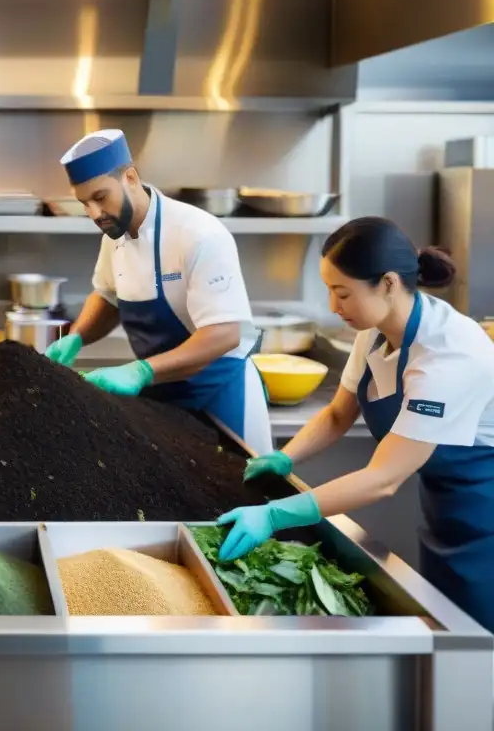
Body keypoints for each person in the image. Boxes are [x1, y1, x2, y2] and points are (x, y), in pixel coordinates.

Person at [217, 216, 494, 630]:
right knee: (451, 627)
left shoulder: (447, 356)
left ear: (386, 284)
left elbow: (384, 478)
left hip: (484, 508)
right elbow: (336, 414)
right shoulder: (376, 328)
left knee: (477, 638)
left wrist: (277, 515)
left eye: (341, 292)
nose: (333, 306)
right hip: (446, 503)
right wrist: (285, 458)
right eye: (330, 290)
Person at [45, 129, 273, 455]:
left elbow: (224, 334)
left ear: (131, 178)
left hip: (222, 399)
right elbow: (108, 296)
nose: (94, 214)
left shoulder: (198, 234)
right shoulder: (115, 236)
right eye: (85, 203)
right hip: (163, 401)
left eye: (100, 197)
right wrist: (77, 337)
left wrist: (142, 370)